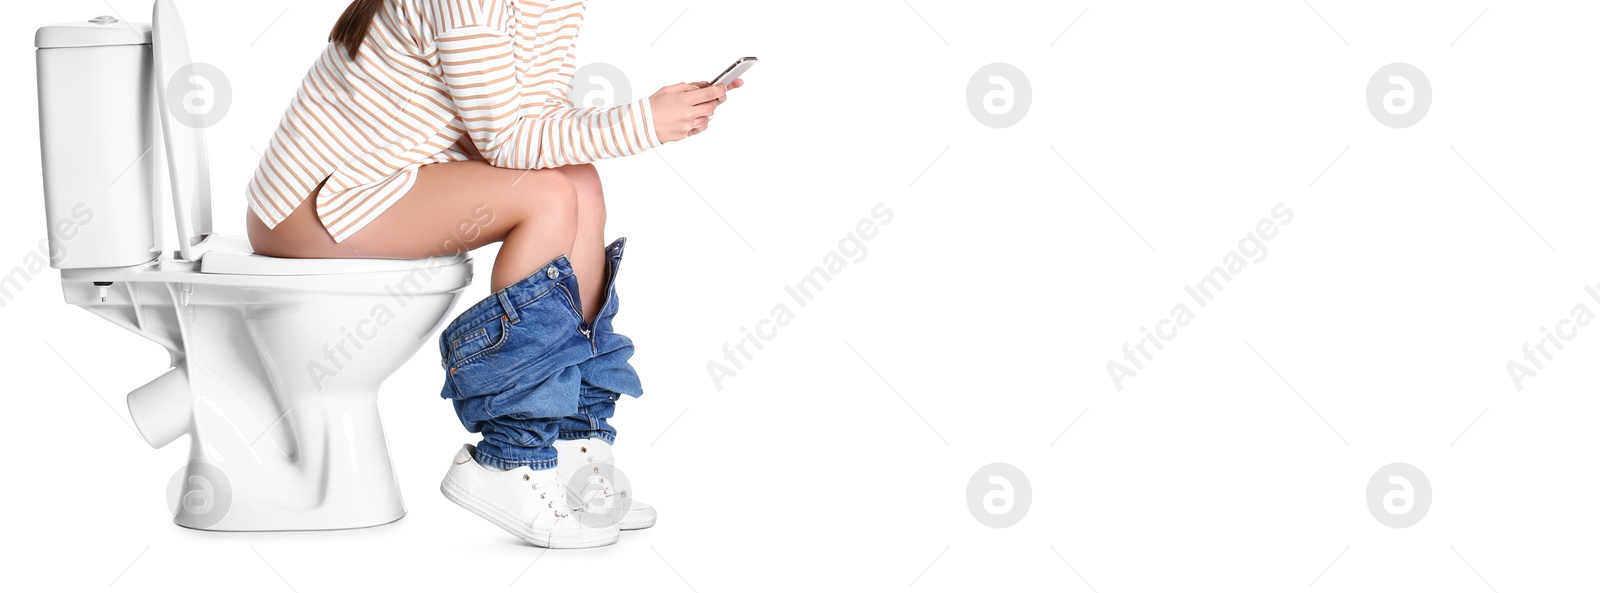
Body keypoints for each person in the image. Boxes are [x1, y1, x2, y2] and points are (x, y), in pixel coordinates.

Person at [246, 0, 742, 548]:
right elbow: (504, 143)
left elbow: (542, 128)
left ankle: (576, 442)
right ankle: (510, 459)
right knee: (548, 197)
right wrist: (643, 122)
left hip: (392, 179)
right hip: (317, 202)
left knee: (577, 180)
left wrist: (659, 113)